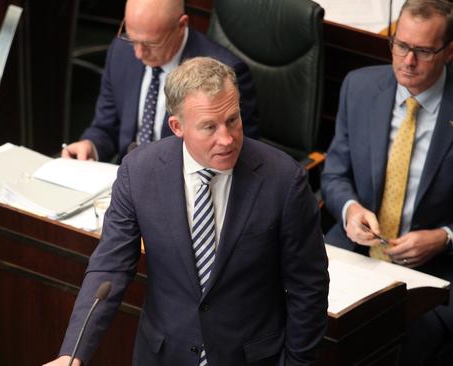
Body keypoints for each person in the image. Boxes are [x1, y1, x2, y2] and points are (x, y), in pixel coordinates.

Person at [45, 57, 328, 366]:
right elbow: (110, 266)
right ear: (177, 126)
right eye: (209, 127)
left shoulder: (284, 181)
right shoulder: (139, 172)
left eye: (233, 120)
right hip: (164, 355)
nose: (227, 138)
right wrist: (72, 354)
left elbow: (308, 286)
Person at [321, 0, 453, 364]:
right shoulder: (359, 88)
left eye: (422, 51)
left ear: (448, 51)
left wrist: (444, 237)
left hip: (434, 273)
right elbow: (333, 175)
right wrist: (350, 210)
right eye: (400, 45)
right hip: (355, 253)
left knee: (397, 349)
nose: (407, 61)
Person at [61, 0, 259, 163]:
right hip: (122, 180)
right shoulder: (121, 51)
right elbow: (106, 126)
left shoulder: (224, 74)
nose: (138, 53)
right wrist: (90, 146)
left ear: (181, 26)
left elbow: (233, 154)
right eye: (132, 39)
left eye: (151, 44)